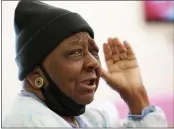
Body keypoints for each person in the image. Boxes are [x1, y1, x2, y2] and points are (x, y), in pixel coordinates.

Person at [2, 0, 167, 127]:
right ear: (35, 75)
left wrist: (135, 95)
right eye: (75, 52)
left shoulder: (89, 118)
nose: (93, 62)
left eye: (94, 51)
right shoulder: (27, 122)